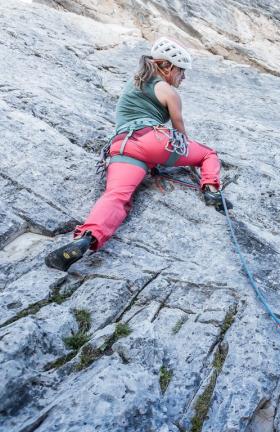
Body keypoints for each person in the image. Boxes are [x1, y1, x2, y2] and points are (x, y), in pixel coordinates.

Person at [45, 37, 231, 272]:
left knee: (116, 196)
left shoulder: (134, 83)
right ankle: (212, 191)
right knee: (208, 154)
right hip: (154, 141)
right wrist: (187, 157)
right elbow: (180, 132)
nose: (184, 77)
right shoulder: (167, 89)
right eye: (182, 72)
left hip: (122, 147)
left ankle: (85, 238)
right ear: (168, 67)